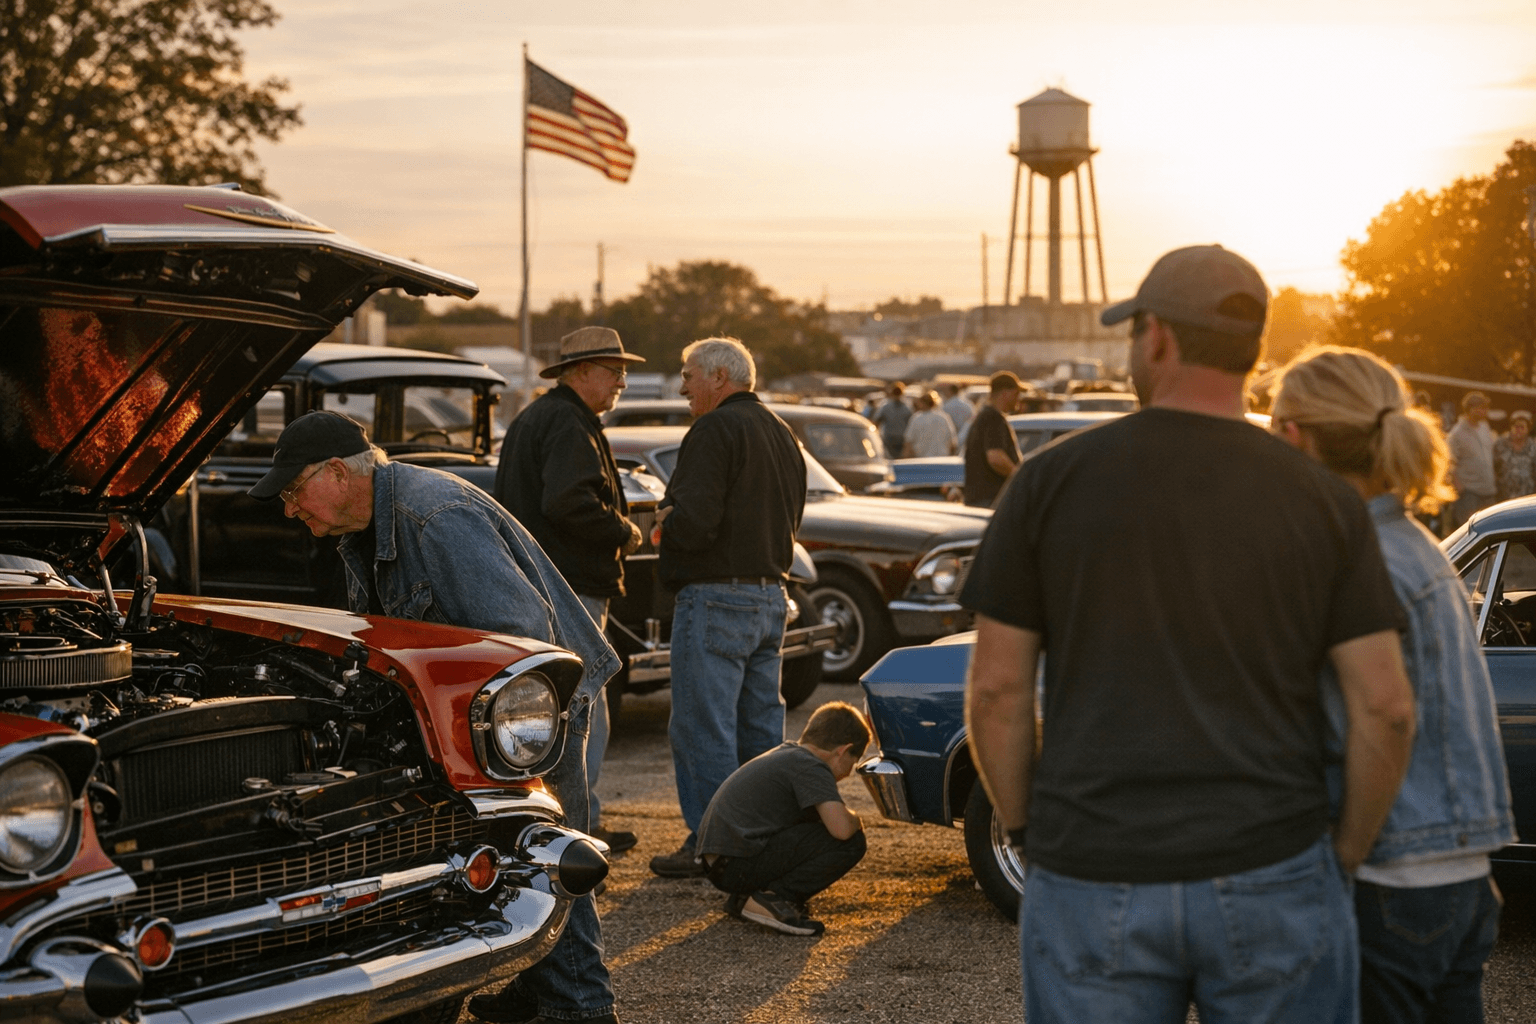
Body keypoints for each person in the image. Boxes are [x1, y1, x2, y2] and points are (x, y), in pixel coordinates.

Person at [962, 244, 1417, 1024]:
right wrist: (1341, 854)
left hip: (1093, 868)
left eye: (1132, 331)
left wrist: (1031, 831)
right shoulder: (1323, 500)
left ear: (1160, 338)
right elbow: (1387, 707)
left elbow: (998, 690)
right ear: (1251, 350)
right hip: (1274, 864)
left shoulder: (1049, 482)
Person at [249, 410, 623, 1024]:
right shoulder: (367, 524)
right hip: (486, 718)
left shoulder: (435, 517)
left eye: (294, 491)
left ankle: (580, 1008)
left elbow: (520, 642)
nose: (290, 510)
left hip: (528, 718)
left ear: (337, 472)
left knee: (542, 860)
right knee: (511, 858)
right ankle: (538, 985)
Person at [1272, 346, 1515, 1024]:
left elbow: (1387, 713)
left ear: (1296, 436)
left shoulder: (1352, 558)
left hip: (1388, 880)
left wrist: (1343, 859)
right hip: (1462, 878)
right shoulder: (1416, 547)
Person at [647, 337, 807, 878]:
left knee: (704, 728)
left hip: (716, 596)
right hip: (771, 596)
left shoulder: (714, 429)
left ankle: (713, 846)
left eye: (688, 375)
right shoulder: (782, 432)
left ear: (719, 377)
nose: (683, 387)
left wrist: (665, 519)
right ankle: (764, 837)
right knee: (760, 731)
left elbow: (696, 520)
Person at [494, 326, 645, 854]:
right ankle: (579, 827)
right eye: (614, 370)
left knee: (559, 708)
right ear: (580, 372)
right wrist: (624, 531)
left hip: (544, 585)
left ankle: (564, 821)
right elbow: (569, 502)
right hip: (569, 588)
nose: (622, 380)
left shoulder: (545, 417)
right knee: (581, 708)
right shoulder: (567, 422)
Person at [697, 701, 870, 937]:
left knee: (813, 823)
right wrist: (856, 820)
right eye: (853, 760)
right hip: (736, 863)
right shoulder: (811, 765)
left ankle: (745, 899)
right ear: (842, 751)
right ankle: (774, 899)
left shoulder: (788, 755)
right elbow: (840, 829)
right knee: (852, 842)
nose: (849, 772)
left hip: (721, 864)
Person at [961, 371, 1021, 507]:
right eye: (1016, 394)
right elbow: (995, 457)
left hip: (980, 499)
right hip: (990, 500)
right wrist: (1019, 476)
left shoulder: (984, 416)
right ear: (1005, 393)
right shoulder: (993, 418)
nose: (1018, 399)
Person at [1446, 391, 1496, 529]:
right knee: (1470, 530)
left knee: (1490, 530)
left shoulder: (1484, 427)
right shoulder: (1457, 433)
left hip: (1488, 491)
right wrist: (1460, 489)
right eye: (1482, 407)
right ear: (1470, 409)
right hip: (1469, 494)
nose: (1485, 411)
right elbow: (1449, 463)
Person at [1494, 409, 1536, 503]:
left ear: (1528, 429)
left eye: (1522, 427)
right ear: (1511, 427)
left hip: (1527, 498)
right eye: (1516, 426)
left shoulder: (1533, 447)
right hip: (1503, 497)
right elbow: (1493, 467)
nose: (1518, 430)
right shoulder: (1500, 444)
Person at [902, 389, 956, 457]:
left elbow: (908, 440)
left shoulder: (916, 418)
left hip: (921, 457)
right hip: (941, 457)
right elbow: (952, 439)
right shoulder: (944, 417)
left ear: (921, 403)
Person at [870, 381, 911, 459]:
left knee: (889, 459)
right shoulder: (907, 407)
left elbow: (876, 422)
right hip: (901, 438)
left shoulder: (885, 406)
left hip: (889, 438)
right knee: (900, 460)